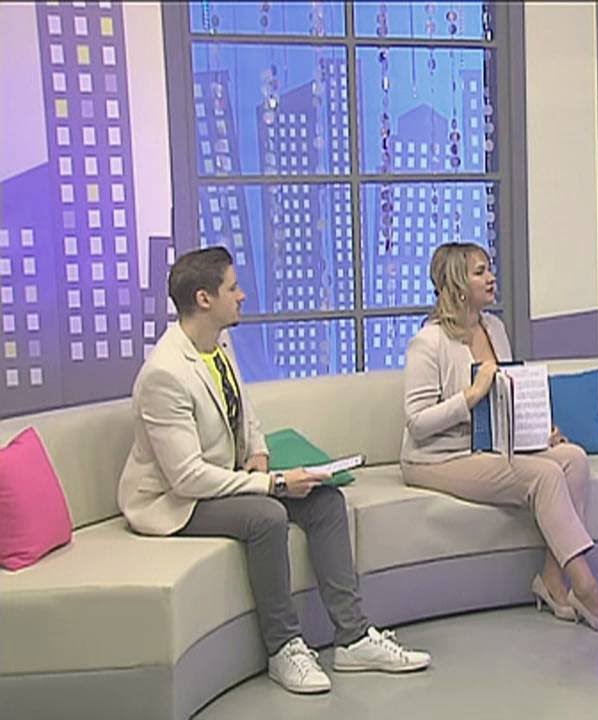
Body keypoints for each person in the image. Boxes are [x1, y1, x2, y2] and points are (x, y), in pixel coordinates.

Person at [118, 247, 430, 694]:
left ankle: (354, 637)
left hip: (223, 477)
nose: (242, 295)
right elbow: (187, 478)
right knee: (266, 516)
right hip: (173, 502)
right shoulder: (164, 375)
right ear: (204, 299)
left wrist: (260, 454)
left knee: (325, 500)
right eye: (232, 288)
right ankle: (283, 647)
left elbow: (245, 414)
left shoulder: (217, 344)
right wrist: (274, 483)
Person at [400, 242, 598, 632]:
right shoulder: (428, 342)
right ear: (457, 284)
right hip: (437, 458)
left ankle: (552, 580)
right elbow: (417, 423)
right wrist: (471, 394)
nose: (491, 278)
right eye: (480, 272)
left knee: (574, 459)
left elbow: (504, 400)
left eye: (490, 269)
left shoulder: (494, 329)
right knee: (544, 475)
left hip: (489, 447)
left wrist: (540, 433)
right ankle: (586, 587)